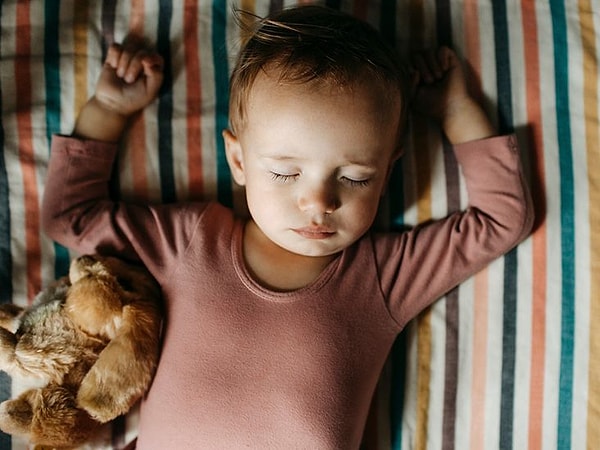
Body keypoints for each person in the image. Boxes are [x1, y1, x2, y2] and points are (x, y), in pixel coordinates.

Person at [41, 5, 533, 449]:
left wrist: (457, 112)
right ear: (238, 159)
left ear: (387, 174)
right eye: (285, 172)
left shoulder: (382, 276)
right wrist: (107, 112)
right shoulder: (192, 243)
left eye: (355, 177)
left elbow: (500, 220)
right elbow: (71, 216)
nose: (318, 202)